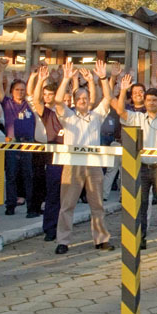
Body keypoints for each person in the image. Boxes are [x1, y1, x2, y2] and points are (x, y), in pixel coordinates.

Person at [114, 71, 157, 252]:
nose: (151, 103)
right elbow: (120, 111)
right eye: (148, 100)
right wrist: (123, 91)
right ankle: (141, 240)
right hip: (143, 168)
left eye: (155, 100)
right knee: (141, 206)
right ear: (144, 102)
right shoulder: (136, 118)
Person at [53, 60, 113, 255]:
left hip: (94, 166)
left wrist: (102, 78)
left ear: (89, 100)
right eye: (79, 98)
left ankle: (101, 239)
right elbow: (57, 101)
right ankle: (63, 241)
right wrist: (66, 79)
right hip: (72, 165)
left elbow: (107, 98)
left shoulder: (96, 116)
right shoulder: (67, 116)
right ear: (74, 100)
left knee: (97, 205)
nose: (82, 100)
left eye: (85, 98)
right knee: (67, 206)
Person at [0, 58, 34, 215]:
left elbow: (34, 91)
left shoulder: (30, 104)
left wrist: (32, 75)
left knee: (28, 176)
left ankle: (31, 207)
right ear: (12, 91)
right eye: (17, 90)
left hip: (28, 143)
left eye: (22, 90)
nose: (20, 92)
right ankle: (10, 205)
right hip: (11, 142)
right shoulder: (7, 103)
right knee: (11, 175)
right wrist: (1, 71)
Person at [30, 65, 65, 242]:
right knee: (53, 196)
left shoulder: (73, 114)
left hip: (72, 161)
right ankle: (50, 229)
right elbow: (36, 101)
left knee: (68, 199)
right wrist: (41, 80)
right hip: (54, 159)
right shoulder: (49, 115)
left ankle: (65, 229)